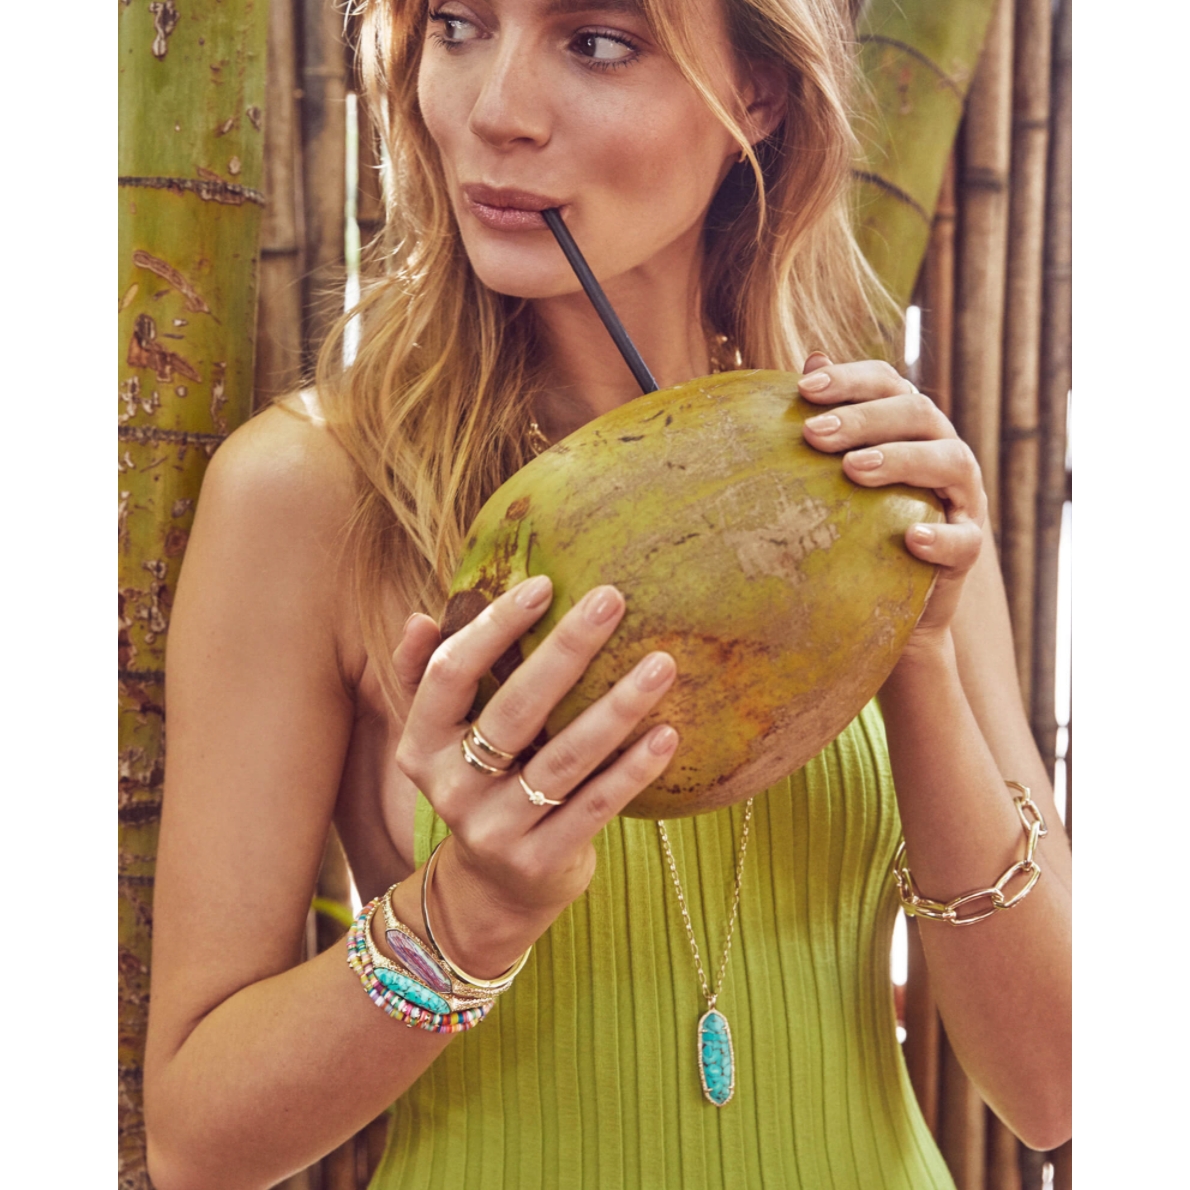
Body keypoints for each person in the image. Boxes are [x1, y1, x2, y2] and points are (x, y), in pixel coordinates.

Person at [142, 0, 1073, 1186]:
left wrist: (920, 659)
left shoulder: (877, 473)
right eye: (458, 25)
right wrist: (463, 917)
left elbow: (1053, 1088)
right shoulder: (316, 491)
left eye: (595, 42)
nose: (495, 112)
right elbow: (195, 1142)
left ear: (755, 94)